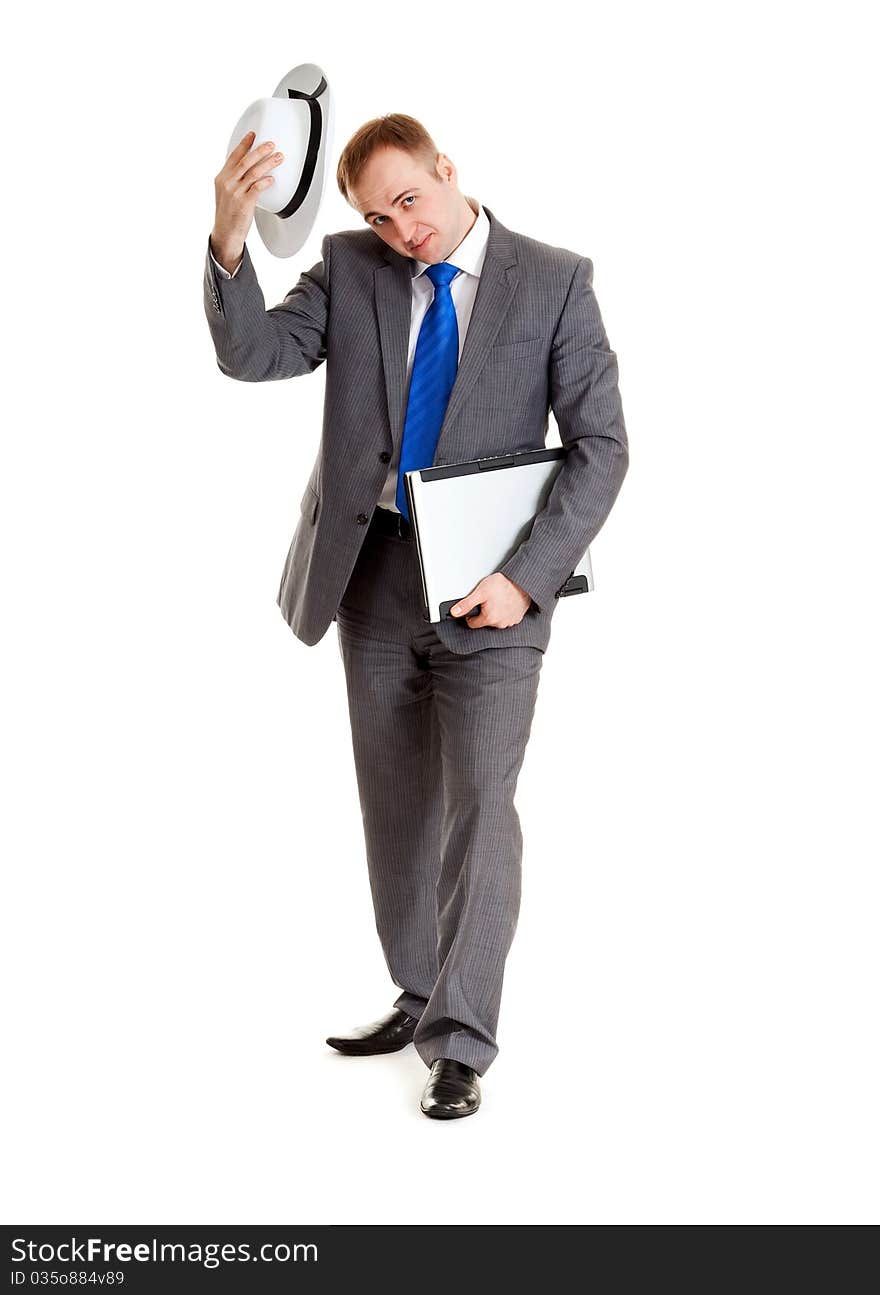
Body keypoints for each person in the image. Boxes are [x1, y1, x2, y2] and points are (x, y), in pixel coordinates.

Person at [204, 113, 628, 1119]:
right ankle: (418, 986)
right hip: (374, 577)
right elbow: (255, 355)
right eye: (375, 216)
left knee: (479, 802)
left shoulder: (554, 277)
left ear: (447, 169)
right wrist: (228, 241)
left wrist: (525, 578)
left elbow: (601, 445)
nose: (403, 231)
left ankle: (460, 1038)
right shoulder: (351, 270)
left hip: (495, 591)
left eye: (411, 202)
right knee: (396, 808)